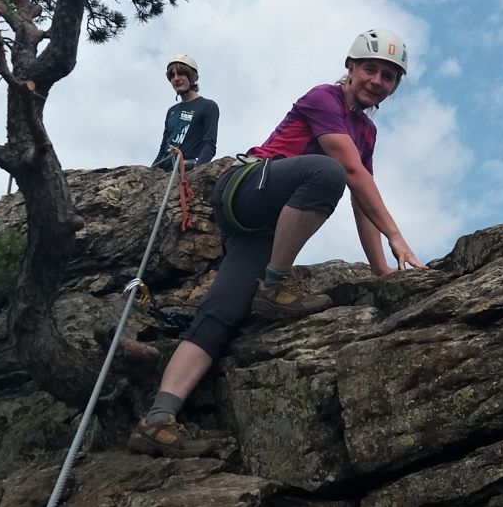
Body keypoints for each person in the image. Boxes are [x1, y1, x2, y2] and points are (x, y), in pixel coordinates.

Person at [129, 28, 426, 457]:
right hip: (246, 186)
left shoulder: (366, 133)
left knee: (222, 313)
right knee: (327, 173)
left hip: (262, 229)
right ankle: (275, 283)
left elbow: (363, 200)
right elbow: (349, 174)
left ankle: (158, 419)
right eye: (370, 69)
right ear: (350, 68)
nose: (377, 81)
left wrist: (381, 271)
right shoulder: (323, 98)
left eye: (388, 76)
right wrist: (396, 236)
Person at [151, 54, 219, 170]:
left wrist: (196, 172)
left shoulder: (208, 106)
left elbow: (209, 145)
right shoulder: (172, 111)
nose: (176, 79)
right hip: (165, 171)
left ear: (192, 77)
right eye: (172, 76)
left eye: (181, 73)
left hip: (187, 168)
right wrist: (152, 171)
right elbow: (163, 148)